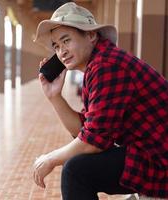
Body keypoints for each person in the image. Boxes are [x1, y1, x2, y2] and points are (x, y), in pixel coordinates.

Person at [32, 2, 168, 200]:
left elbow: (93, 142)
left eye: (66, 40)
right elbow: (87, 130)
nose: (61, 51)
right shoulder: (98, 64)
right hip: (150, 153)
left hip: (159, 158)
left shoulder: (106, 65)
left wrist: (50, 159)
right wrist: (55, 97)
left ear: (91, 35)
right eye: (56, 46)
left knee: (76, 171)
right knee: (78, 165)